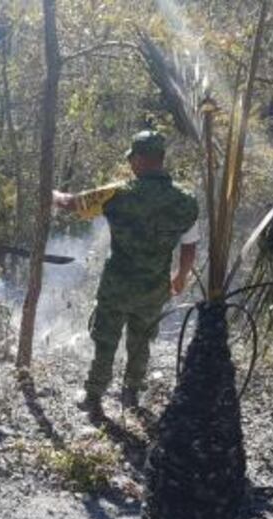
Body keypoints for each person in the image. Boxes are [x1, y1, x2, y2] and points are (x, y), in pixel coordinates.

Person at [52, 131, 199, 415]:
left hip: (117, 286)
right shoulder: (186, 200)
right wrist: (181, 277)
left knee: (106, 339)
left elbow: (74, 203)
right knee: (142, 340)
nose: (131, 163)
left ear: (142, 159)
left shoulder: (117, 194)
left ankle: (93, 396)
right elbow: (190, 243)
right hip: (154, 288)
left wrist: (51, 194)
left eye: (133, 158)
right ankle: (131, 392)